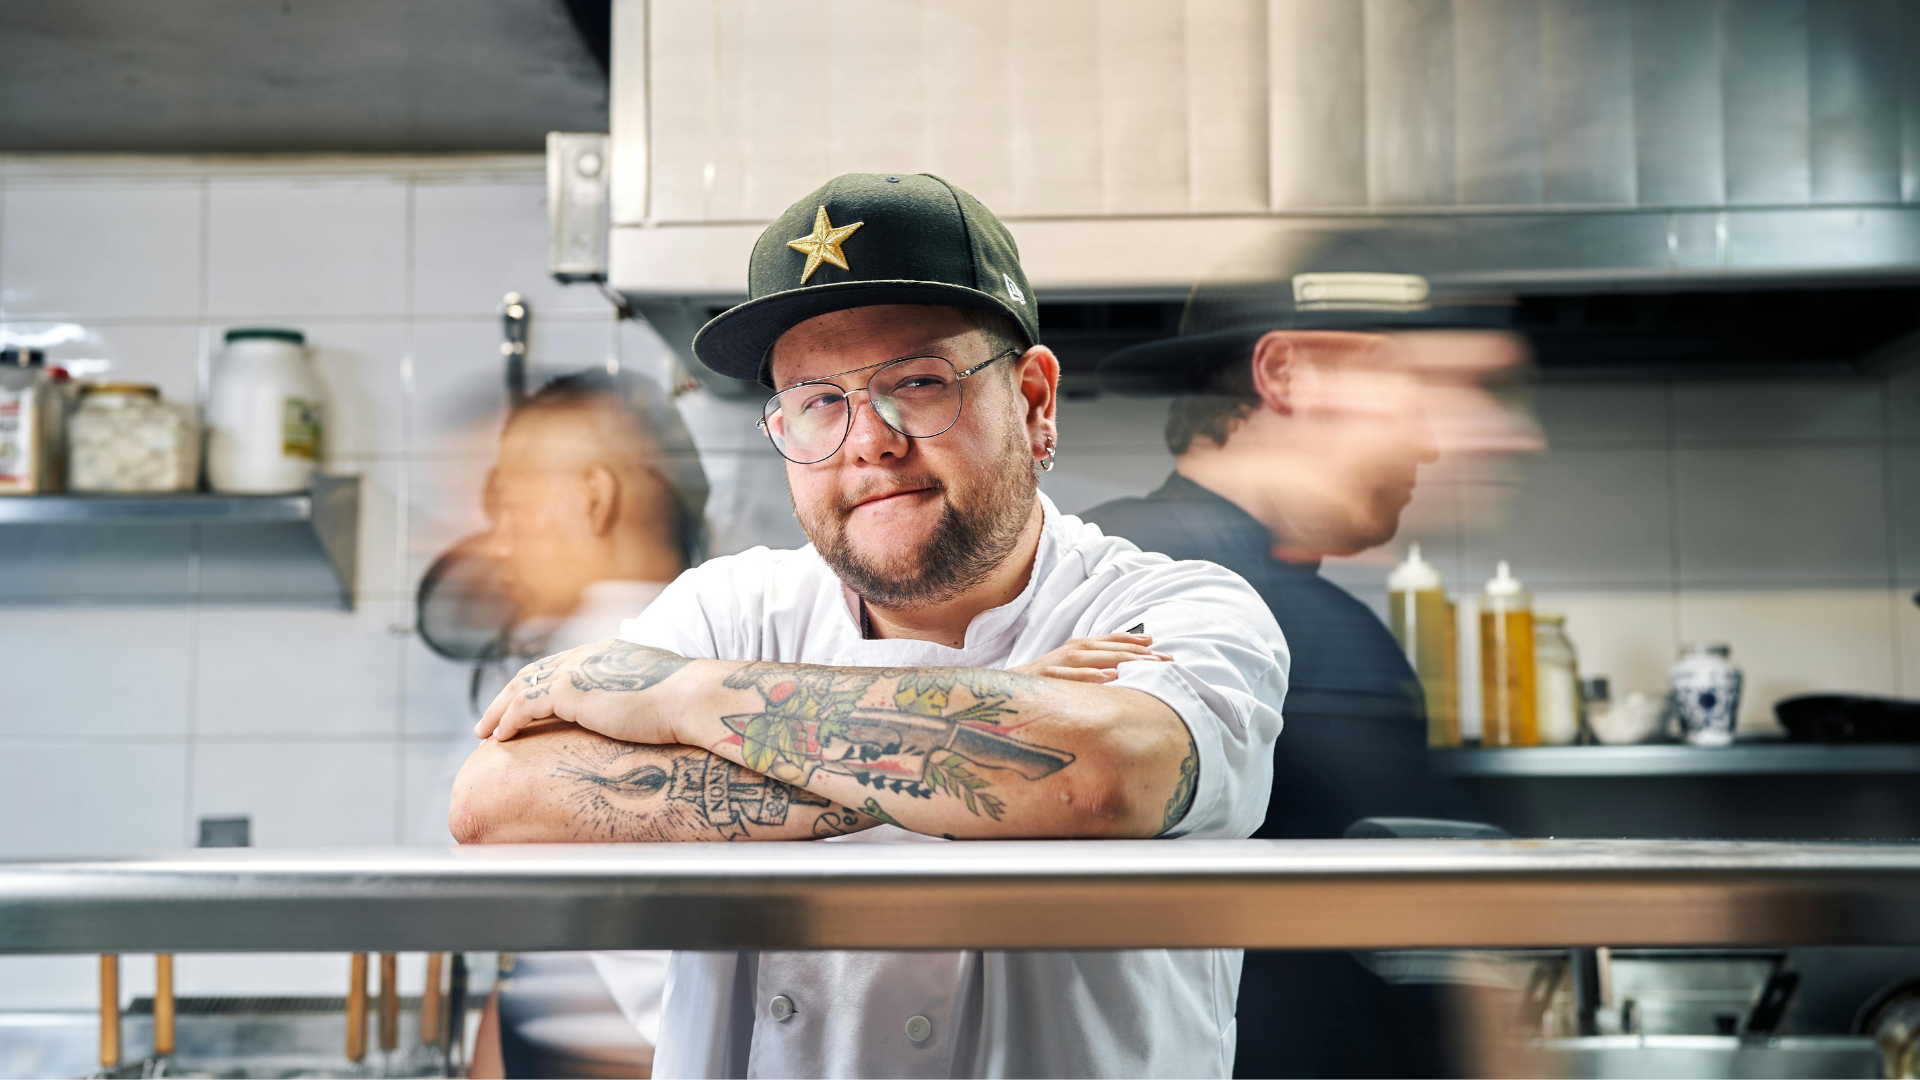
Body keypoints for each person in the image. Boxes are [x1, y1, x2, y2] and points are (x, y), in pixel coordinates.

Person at [450, 172, 1289, 1078]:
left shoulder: (1177, 608)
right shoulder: (727, 607)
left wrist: (686, 700)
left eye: (919, 382)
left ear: (1034, 401)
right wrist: (997, 727)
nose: (869, 440)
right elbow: (497, 801)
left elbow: (1102, 780)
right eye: (818, 400)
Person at [1085, 287, 1528, 1078]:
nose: (1432, 443)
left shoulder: (1114, 569)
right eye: (1414, 385)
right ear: (1284, 373)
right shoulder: (1162, 599)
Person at [460, 371, 709, 1078]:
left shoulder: (618, 677)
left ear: (595, 499)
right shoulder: (601, 658)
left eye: (512, 509)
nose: (498, 545)